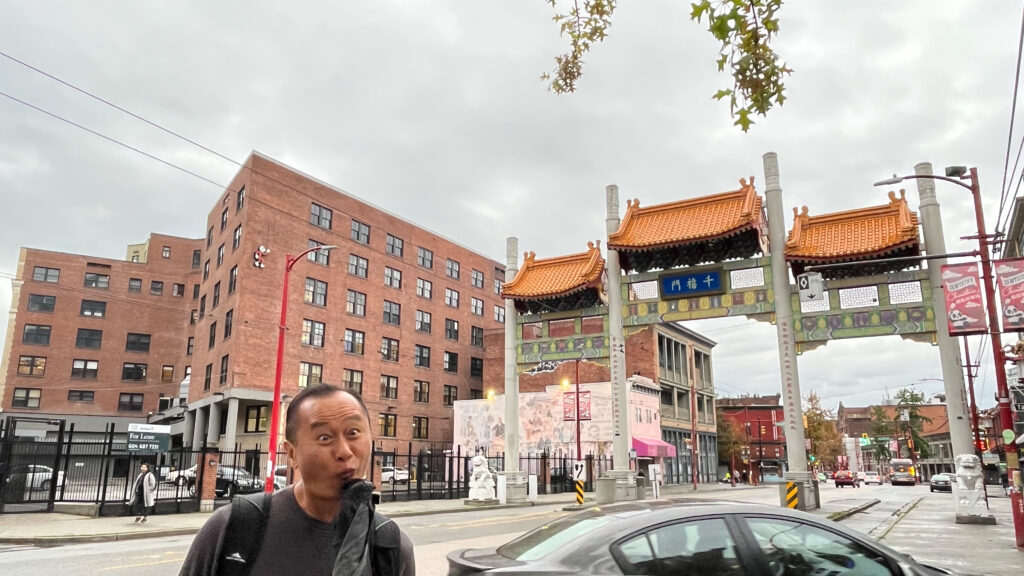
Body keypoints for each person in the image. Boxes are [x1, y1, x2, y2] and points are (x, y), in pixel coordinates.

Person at [180, 383, 415, 575]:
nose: (344, 451)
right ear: (292, 453)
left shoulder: (389, 545)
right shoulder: (233, 527)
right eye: (324, 437)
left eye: (353, 433)